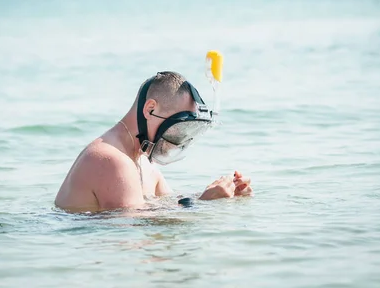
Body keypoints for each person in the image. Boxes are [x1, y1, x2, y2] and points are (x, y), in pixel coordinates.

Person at [54, 71, 253, 213]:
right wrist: (204, 202)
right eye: (178, 129)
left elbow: (167, 205)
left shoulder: (144, 163)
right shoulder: (112, 160)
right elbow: (132, 228)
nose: (179, 140)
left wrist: (223, 193)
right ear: (150, 110)